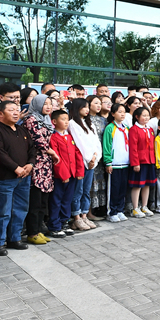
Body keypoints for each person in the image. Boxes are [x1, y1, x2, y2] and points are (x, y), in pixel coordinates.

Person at [0, 101, 35, 256]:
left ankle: (15, 238)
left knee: (20, 209)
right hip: (4, 178)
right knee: (2, 211)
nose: (16, 112)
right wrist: (16, 167)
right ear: (0, 113)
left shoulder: (21, 129)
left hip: (24, 177)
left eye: (17, 110)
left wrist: (30, 164)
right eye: (11, 110)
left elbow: (32, 149)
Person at [22, 95, 59, 243]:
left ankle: (38, 230)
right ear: (37, 104)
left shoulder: (46, 120)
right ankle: (32, 233)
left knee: (43, 201)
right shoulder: (31, 119)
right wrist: (53, 152)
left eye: (50, 104)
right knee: (35, 201)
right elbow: (39, 141)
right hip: (36, 163)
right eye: (45, 104)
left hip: (47, 164)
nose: (48, 107)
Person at [48, 109, 84, 236]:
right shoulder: (53, 137)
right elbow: (56, 158)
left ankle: (64, 222)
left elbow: (77, 154)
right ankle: (54, 225)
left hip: (72, 174)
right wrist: (63, 174)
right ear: (54, 121)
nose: (66, 122)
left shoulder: (69, 137)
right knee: (56, 200)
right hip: (61, 176)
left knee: (67, 200)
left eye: (67, 119)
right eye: (63, 119)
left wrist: (79, 171)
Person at [67, 99, 99, 231]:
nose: (87, 110)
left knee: (86, 190)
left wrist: (95, 157)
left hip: (92, 162)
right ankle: (76, 217)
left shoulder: (88, 124)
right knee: (78, 190)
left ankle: (84, 214)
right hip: (81, 162)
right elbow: (80, 144)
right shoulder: (72, 124)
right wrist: (89, 158)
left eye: (87, 107)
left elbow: (96, 143)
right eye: (84, 107)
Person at [102, 104, 130, 223]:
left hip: (125, 163)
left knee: (123, 189)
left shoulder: (126, 127)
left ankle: (120, 210)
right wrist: (108, 162)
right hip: (115, 164)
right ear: (113, 114)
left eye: (124, 112)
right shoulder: (110, 128)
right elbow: (107, 145)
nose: (122, 114)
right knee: (114, 188)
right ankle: (111, 211)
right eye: (119, 112)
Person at [128, 107, 156, 217]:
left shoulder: (149, 129)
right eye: (143, 115)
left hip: (150, 160)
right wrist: (135, 163)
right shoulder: (134, 129)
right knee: (137, 185)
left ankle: (144, 206)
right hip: (140, 161)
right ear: (137, 117)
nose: (146, 118)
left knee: (147, 184)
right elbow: (133, 148)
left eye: (147, 115)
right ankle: (135, 208)